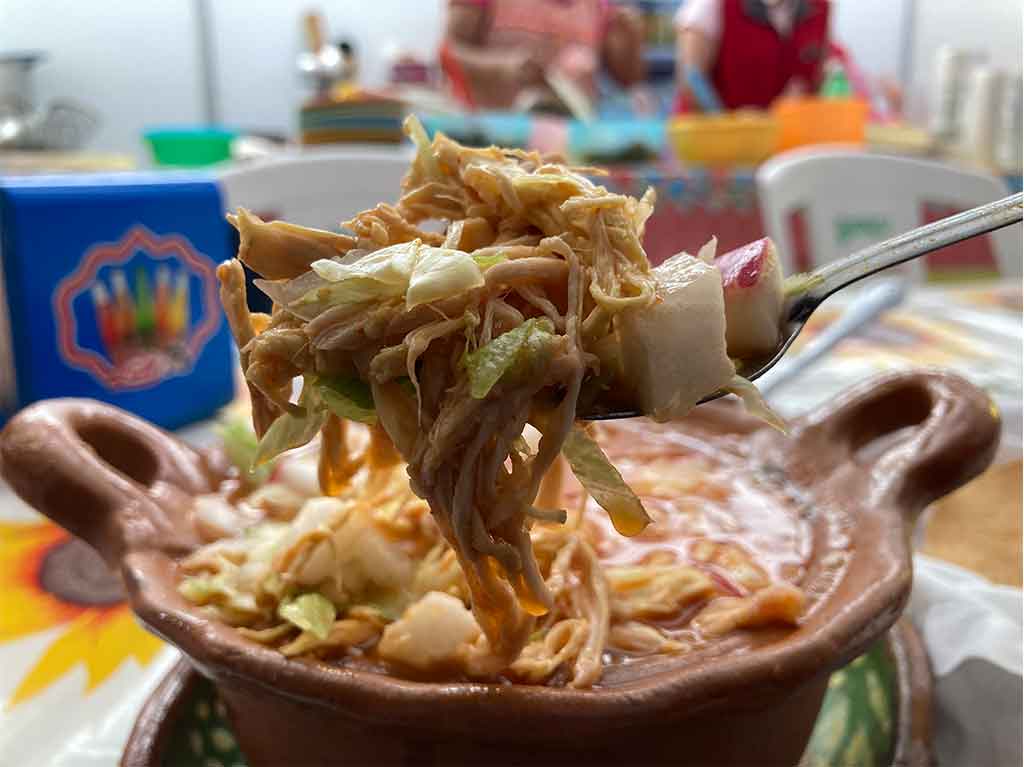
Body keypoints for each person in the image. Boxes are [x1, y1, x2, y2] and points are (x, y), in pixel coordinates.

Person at [442, 0, 645, 111]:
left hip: (566, 149)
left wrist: (629, 39)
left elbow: (628, 79)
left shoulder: (600, 6)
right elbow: (448, 50)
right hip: (487, 137)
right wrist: (502, 67)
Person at [673, 0, 831, 113]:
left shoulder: (819, 8)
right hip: (712, 145)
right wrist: (729, 125)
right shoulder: (709, 5)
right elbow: (691, 81)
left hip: (785, 146)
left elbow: (817, 80)